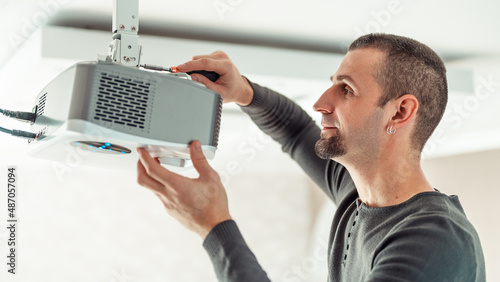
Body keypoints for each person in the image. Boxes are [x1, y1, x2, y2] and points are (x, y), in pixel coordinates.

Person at [136, 33, 486, 281]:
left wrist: (213, 225)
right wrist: (244, 91)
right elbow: (293, 128)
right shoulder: (357, 196)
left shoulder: (434, 239)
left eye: (345, 89)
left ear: (399, 113)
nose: (321, 102)